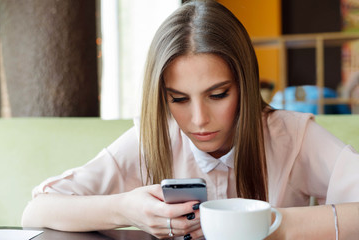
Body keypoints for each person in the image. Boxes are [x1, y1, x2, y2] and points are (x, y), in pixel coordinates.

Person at [22, 0, 359, 239]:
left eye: (218, 94)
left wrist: (263, 225)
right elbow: (36, 212)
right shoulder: (151, 138)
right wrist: (126, 209)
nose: (199, 120)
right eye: (179, 99)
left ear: (244, 83)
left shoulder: (292, 136)